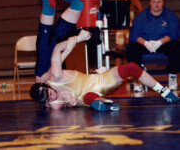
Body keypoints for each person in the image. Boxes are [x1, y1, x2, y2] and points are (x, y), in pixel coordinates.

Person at [30, 29, 180, 111]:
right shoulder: (54, 104)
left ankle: (164, 92)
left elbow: (57, 48)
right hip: (88, 95)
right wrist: (73, 103)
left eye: (49, 94)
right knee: (87, 98)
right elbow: (69, 104)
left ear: (48, 85)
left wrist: (77, 39)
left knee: (131, 67)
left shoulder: (54, 75)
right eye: (48, 99)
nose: (52, 97)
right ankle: (105, 103)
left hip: (97, 81)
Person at [33, 0, 84, 81]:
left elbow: (48, 75)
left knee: (49, 4)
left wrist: (78, 38)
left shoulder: (43, 83)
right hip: (58, 42)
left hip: (45, 48)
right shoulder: (61, 90)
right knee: (79, 0)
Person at [126, 0, 180, 91]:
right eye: (154, 2)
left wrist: (159, 42)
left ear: (163, 2)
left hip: (163, 43)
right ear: (150, 3)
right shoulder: (141, 17)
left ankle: (172, 77)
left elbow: (174, 33)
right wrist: (145, 43)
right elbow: (133, 35)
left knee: (177, 46)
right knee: (131, 48)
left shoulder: (170, 16)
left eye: (159, 1)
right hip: (146, 44)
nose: (156, 4)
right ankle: (138, 79)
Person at [114, 0, 143, 66]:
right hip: (129, 25)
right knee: (129, 51)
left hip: (119, 25)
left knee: (118, 52)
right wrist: (134, 20)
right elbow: (141, 10)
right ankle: (129, 74)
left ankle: (116, 75)